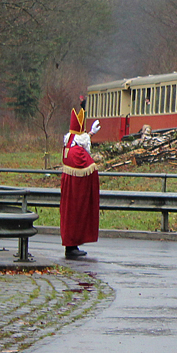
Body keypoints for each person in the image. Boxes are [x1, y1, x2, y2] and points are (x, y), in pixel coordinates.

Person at [60, 107, 101, 260]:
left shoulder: (68, 146)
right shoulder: (78, 152)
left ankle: (72, 246)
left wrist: (90, 133)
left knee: (68, 217)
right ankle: (71, 247)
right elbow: (89, 164)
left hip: (69, 191)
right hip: (77, 193)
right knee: (75, 217)